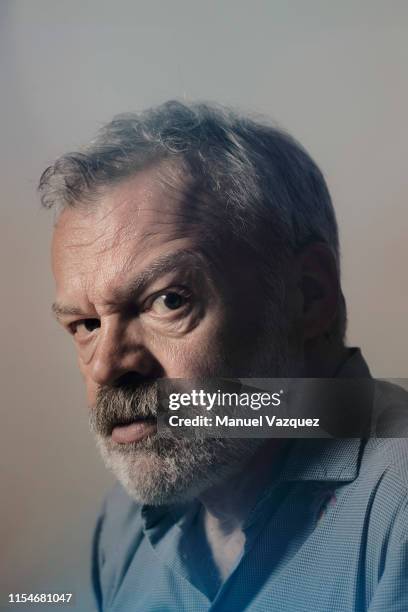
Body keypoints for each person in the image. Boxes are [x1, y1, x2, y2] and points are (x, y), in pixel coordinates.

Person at [39, 101, 408, 611]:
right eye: (86, 325)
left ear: (310, 295)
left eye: (168, 300)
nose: (106, 367)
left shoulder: (399, 507)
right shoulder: (118, 533)